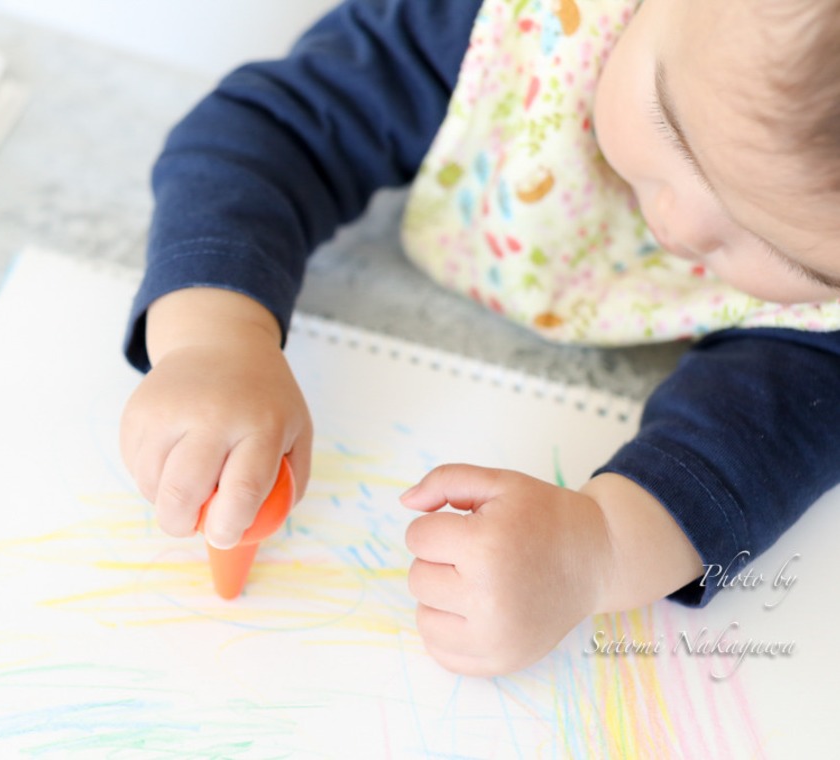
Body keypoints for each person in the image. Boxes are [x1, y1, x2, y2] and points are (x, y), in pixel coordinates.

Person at [118, 0, 840, 675]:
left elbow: (787, 418)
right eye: (670, 121)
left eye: (785, 252)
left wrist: (601, 550)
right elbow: (274, 130)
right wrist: (213, 335)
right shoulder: (517, 27)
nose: (681, 226)